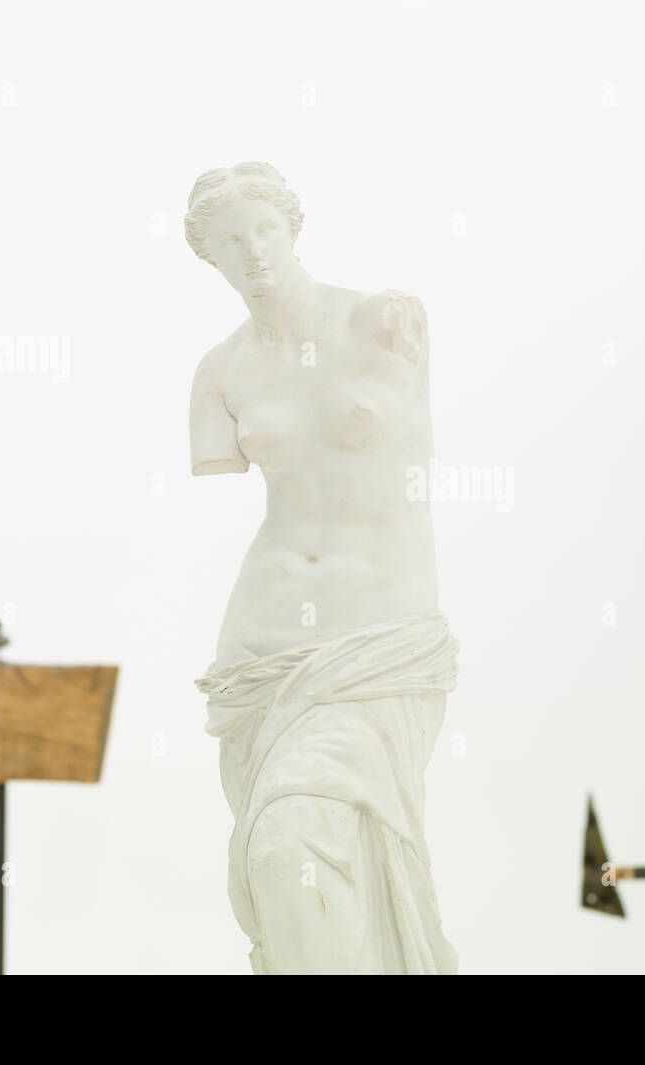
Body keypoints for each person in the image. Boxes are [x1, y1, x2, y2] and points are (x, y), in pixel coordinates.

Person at [185, 161, 459, 974]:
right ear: (211, 259)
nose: (254, 253)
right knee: (287, 882)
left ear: (292, 227)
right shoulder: (219, 373)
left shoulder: (383, 321)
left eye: (264, 229)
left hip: (377, 639)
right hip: (260, 656)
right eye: (231, 242)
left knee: (290, 841)